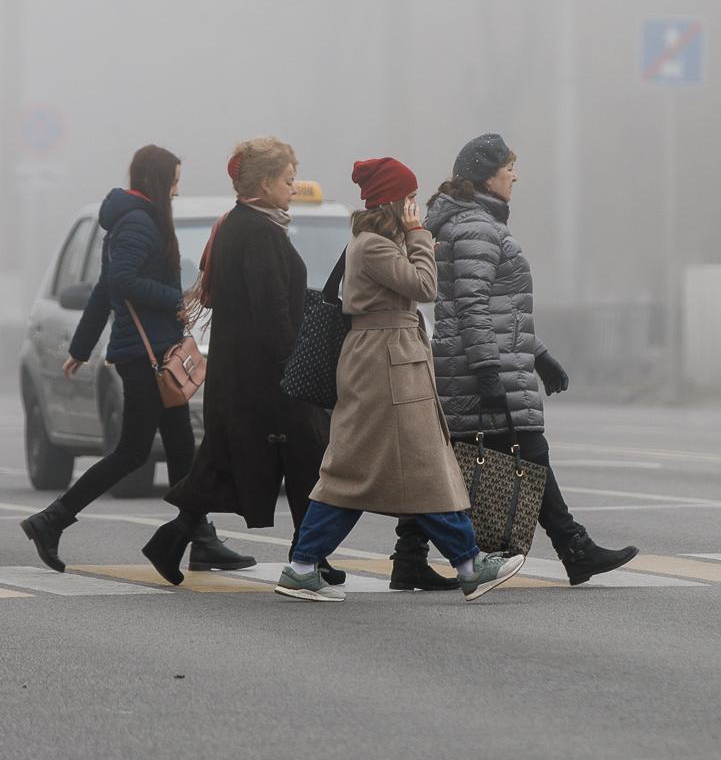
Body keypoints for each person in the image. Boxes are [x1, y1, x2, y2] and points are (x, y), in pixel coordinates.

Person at [276, 158, 526, 603]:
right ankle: (468, 564)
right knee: (413, 466)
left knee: (361, 471)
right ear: (393, 202)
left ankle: (303, 565)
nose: (415, 205)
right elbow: (425, 285)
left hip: (390, 360)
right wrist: (418, 236)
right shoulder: (374, 245)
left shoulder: (374, 241)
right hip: (384, 364)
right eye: (409, 198)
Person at [19, 146, 254, 574]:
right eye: (175, 181)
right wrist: (177, 298)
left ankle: (200, 540)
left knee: (183, 450)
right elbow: (123, 282)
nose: (178, 191)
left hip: (149, 353)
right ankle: (51, 520)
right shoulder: (140, 224)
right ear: (158, 182)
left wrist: (80, 349)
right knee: (132, 452)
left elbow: (102, 289)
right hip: (147, 357)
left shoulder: (133, 221)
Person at [423, 133, 638, 586]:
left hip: (490, 357)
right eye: (509, 169)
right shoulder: (477, 227)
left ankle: (408, 557)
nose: (516, 176)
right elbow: (473, 304)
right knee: (528, 452)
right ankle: (574, 548)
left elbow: (502, 309)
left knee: (450, 460)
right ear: (486, 176)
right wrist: (487, 368)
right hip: (481, 364)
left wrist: (538, 355)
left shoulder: (474, 222)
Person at [141, 137, 331, 586]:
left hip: (244, 374)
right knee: (307, 459)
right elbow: (270, 310)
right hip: (265, 377)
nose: (293, 187)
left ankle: (176, 541)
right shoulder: (257, 232)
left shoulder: (241, 224)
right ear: (264, 184)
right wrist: (295, 366)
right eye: (287, 180)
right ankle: (308, 558)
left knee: (225, 463)